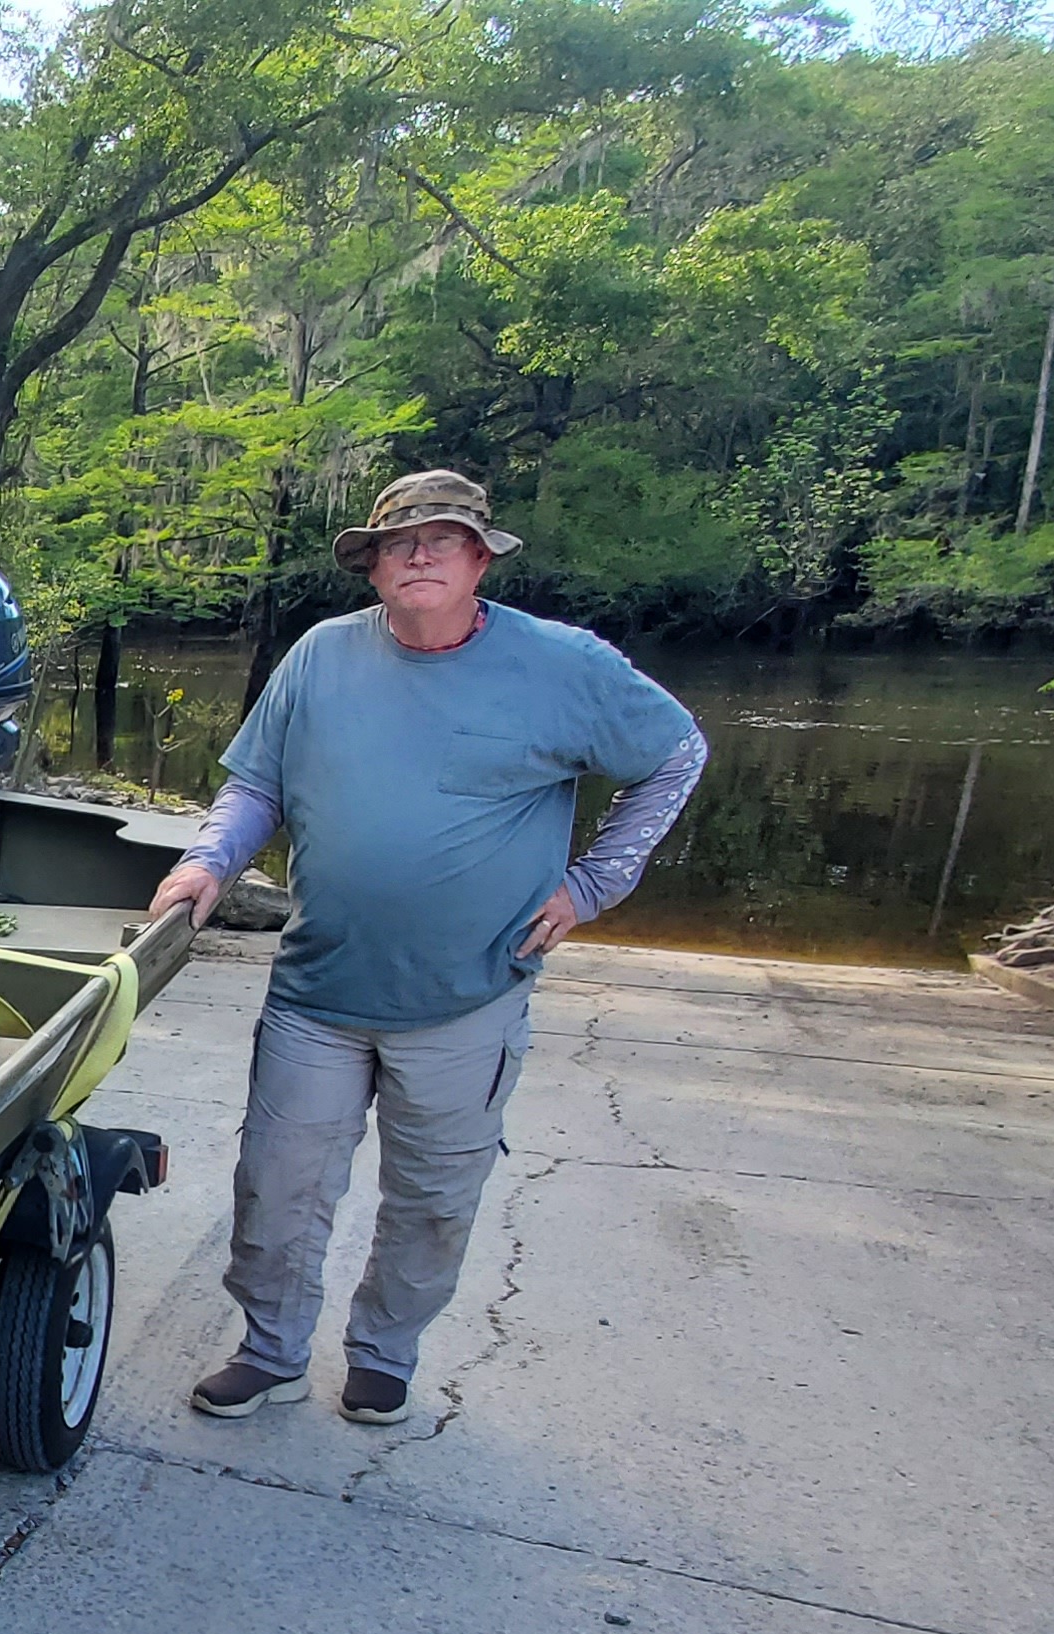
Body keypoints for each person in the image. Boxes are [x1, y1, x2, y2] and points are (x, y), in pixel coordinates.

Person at [145, 469, 709, 1425]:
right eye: (396, 544)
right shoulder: (320, 658)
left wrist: (597, 882)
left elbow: (676, 753)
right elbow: (257, 791)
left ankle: (384, 1353)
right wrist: (209, 864)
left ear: (479, 558)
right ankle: (271, 1350)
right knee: (275, 1189)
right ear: (370, 567)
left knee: (434, 1197)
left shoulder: (564, 665)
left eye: (440, 540)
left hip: (469, 997)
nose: (417, 555)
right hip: (319, 989)